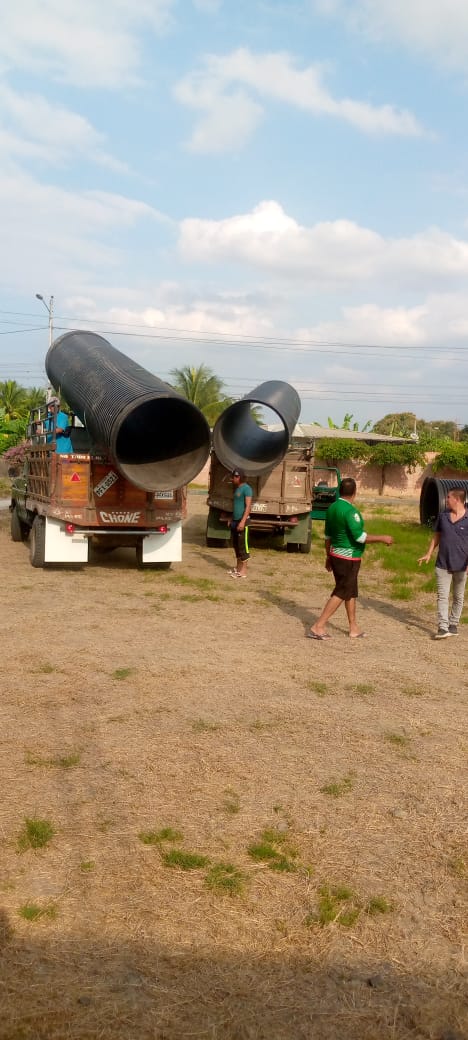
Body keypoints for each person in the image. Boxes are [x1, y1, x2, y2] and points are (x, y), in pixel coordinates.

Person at [308, 476, 393, 640]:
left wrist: (328, 556)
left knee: (350, 591)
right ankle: (318, 626)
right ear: (354, 492)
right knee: (342, 591)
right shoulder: (351, 511)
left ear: (339, 491)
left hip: (336, 554)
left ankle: (353, 627)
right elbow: (360, 537)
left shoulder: (332, 508)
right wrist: (383, 538)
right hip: (349, 558)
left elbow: (328, 537)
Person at [418, 487, 468, 639]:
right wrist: (429, 553)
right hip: (442, 563)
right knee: (442, 596)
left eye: (448, 497)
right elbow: (437, 536)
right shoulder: (443, 516)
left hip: (462, 565)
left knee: (458, 596)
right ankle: (443, 627)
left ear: (457, 499)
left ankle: (453, 624)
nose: (446, 500)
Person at [229, 468, 252, 578]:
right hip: (235, 521)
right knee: (236, 545)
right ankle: (238, 568)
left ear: (239, 477)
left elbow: (248, 507)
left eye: (234, 477)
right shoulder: (237, 488)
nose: (232, 478)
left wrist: (242, 522)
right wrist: (231, 518)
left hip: (243, 522)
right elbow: (236, 506)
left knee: (243, 546)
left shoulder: (247, 489)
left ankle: (244, 571)